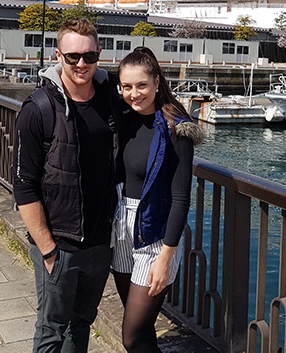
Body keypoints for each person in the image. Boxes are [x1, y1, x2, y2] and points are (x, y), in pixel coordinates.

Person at [12, 18, 127, 352]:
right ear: (58, 55)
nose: (82, 64)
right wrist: (47, 250)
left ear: (99, 55)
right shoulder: (39, 109)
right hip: (59, 246)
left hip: (99, 243)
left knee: (80, 328)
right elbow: (23, 185)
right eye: (73, 56)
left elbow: (149, 100)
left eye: (89, 57)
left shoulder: (111, 98)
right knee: (51, 331)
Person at [112, 46, 203, 352]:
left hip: (155, 233)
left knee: (132, 335)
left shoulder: (176, 127)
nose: (134, 94)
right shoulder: (124, 118)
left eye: (141, 86)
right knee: (141, 329)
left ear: (156, 82)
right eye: (126, 86)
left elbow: (181, 198)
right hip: (122, 227)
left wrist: (166, 258)